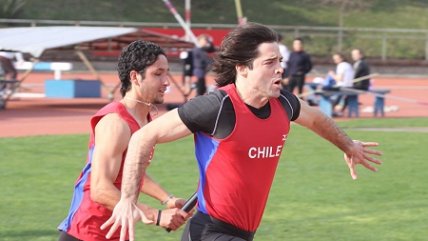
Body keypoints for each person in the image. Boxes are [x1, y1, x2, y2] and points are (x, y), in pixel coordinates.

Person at [101, 23, 382, 241]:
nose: (280, 69)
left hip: (242, 233)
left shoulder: (284, 103)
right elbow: (141, 137)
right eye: (269, 63)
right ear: (243, 69)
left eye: (280, 62)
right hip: (210, 231)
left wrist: (348, 145)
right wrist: (127, 200)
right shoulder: (217, 107)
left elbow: (317, 117)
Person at [57, 40, 190, 241]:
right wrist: (156, 215)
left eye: (166, 73)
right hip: (87, 232)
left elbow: (131, 171)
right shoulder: (116, 122)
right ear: (135, 77)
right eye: (157, 74)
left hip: (116, 231)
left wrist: (167, 199)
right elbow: (100, 189)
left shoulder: (143, 120)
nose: (166, 81)